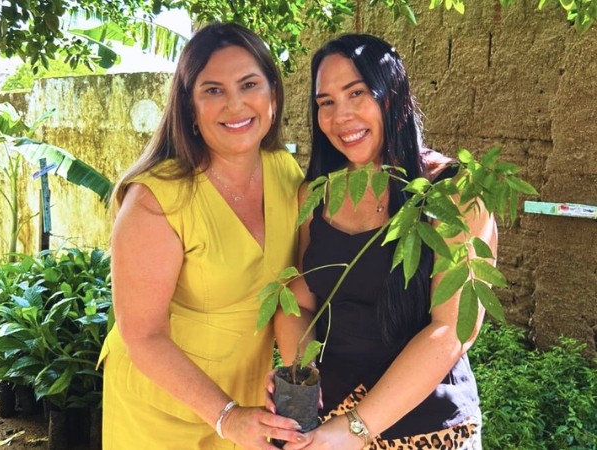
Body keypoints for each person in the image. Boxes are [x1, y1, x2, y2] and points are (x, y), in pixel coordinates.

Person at [272, 34, 497, 449]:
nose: (341, 116)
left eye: (356, 93)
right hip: (329, 419)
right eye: (326, 102)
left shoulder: (454, 192)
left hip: (428, 428)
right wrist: (302, 374)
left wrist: (355, 428)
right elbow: (300, 301)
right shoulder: (317, 192)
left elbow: (453, 328)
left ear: (392, 95)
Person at [98, 22, 308, 450]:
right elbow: (142, 334)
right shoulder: (155, 199)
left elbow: (291, 293)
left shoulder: (286, 172)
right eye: (213, 90)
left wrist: (302, 373)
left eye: (249, 84)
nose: (235, 104)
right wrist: (226, 416)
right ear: (190, 108)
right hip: (163, 407)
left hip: (246, 395)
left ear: (273, 94)